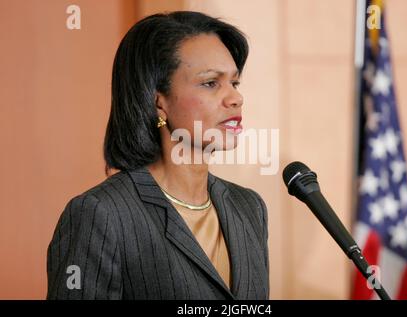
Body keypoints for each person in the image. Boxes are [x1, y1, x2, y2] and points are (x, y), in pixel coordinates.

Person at [46, 11, 269, 300]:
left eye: (235, 83)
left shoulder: (249, 207)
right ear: (158, 101)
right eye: (211, 83)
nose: (235, 98)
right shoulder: (101, 213)